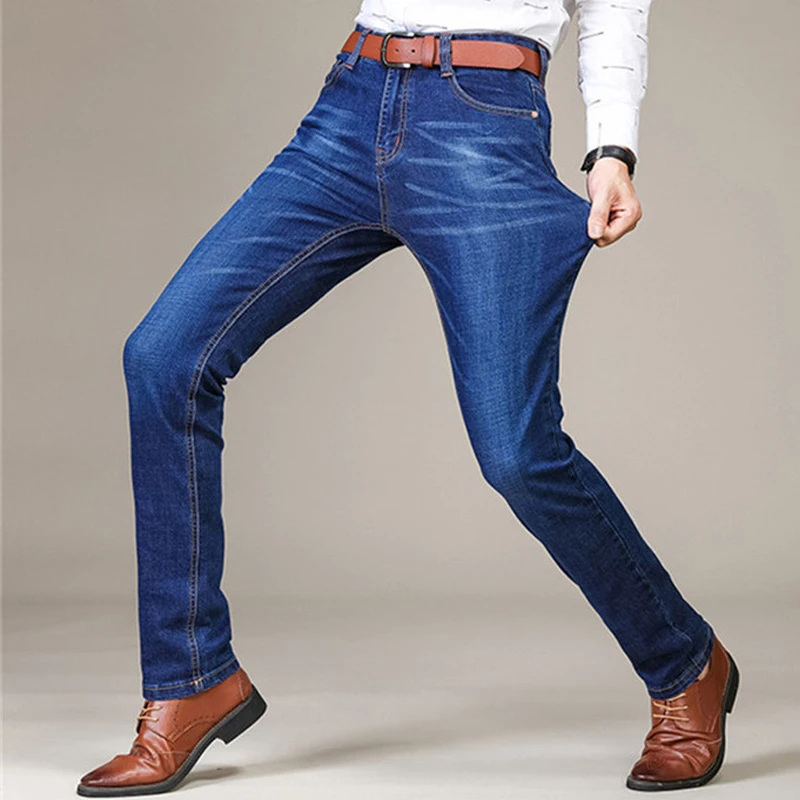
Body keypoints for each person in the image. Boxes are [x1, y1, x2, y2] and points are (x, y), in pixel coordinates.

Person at [77, 1, 740, 796]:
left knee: (518, 452)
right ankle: (190, 680)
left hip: (484, 121)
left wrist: (611, 148)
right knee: (164, 357)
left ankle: (685, 664)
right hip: (353, 103)